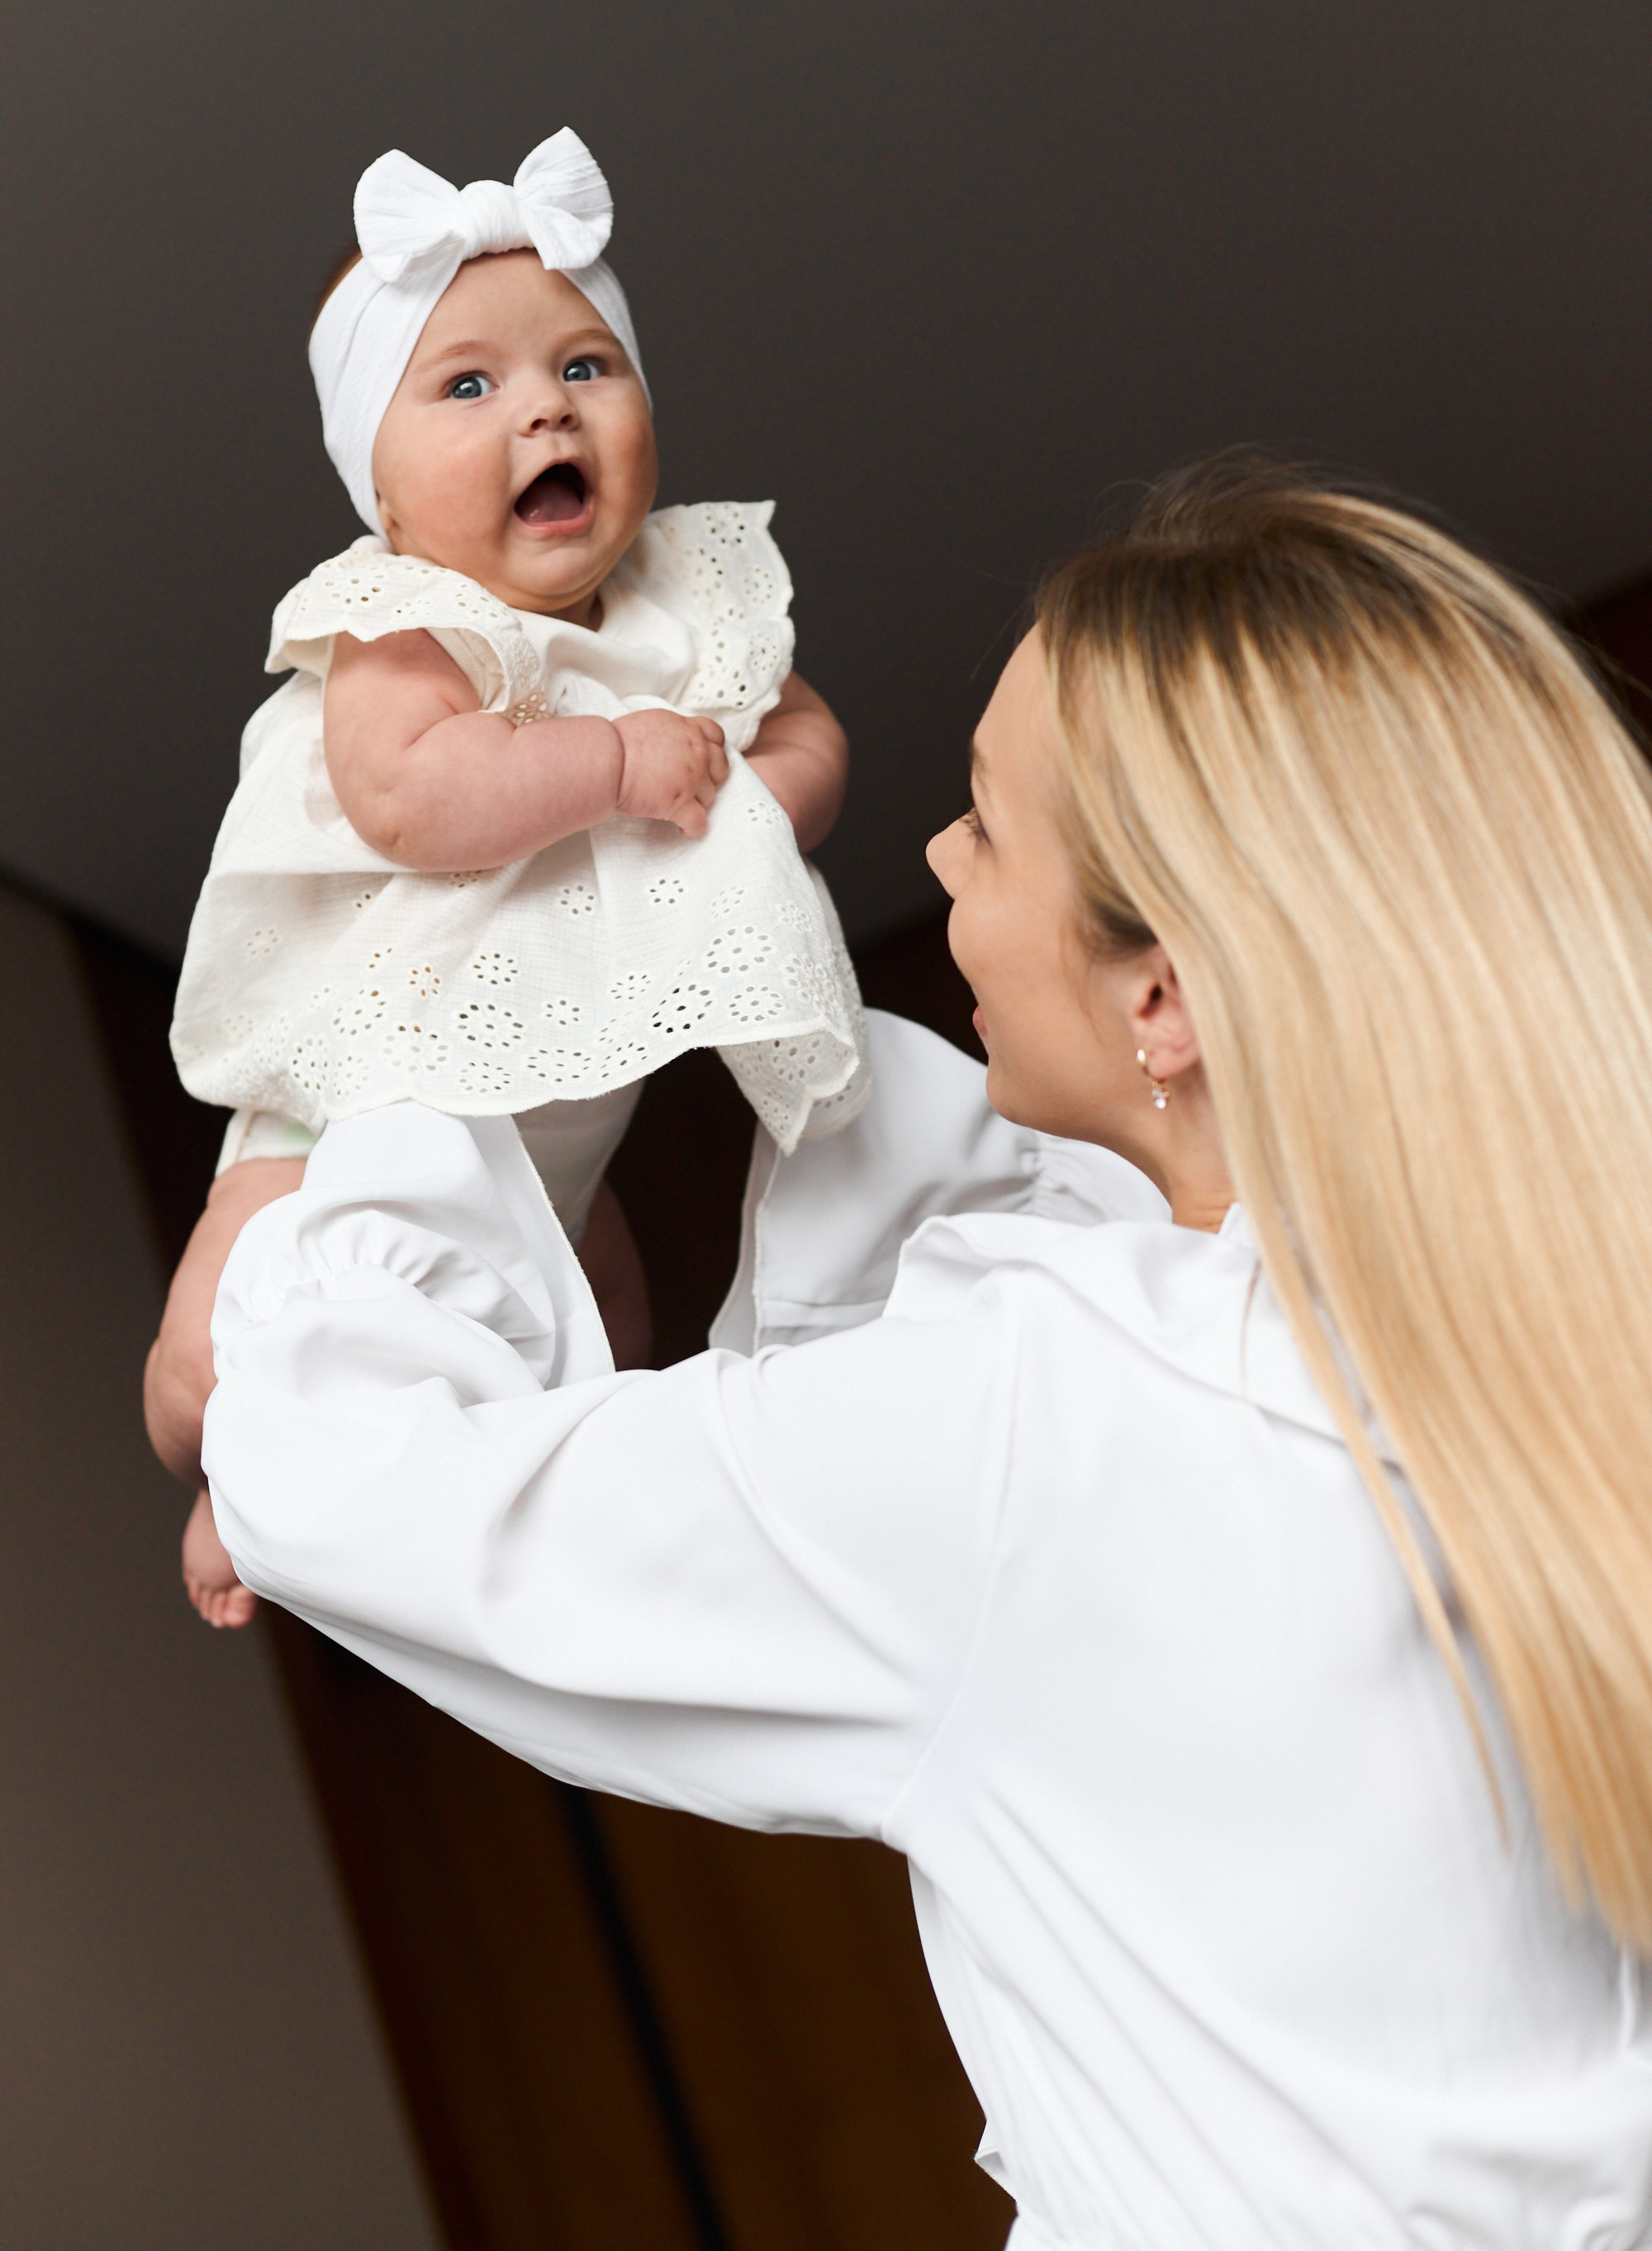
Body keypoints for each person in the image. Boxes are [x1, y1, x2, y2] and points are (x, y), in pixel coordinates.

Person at [197, 461, 1652, 2245]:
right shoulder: (1505, 1369)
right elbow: (976, 1220)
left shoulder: (1060, 1427)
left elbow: (347, 1482)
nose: (938, 858)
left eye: (985, 823)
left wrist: (460, 1001)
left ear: (1161, 999)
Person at [146, 127, 866, 1627]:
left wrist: (756, 811)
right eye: (467, 385)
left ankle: (572, 1498)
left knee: (602, 1330)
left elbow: (802, 737)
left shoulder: (686, 602)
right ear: (383, 494)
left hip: (566, 1111)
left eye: (585, 368)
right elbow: (410, 793)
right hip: (366, 1083)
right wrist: (612, 772)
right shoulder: (402, 621)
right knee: (248, 1299)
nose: (543, 404)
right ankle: (227, 1463)